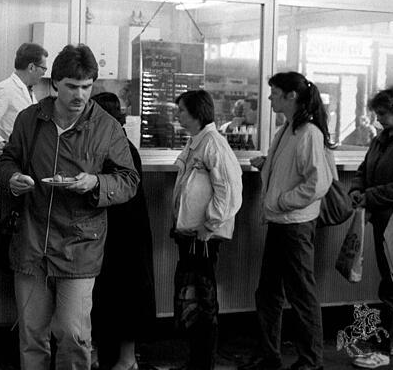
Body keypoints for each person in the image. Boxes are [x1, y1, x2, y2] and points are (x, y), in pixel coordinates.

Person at [0, 44, 139, 370]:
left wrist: (97, 184)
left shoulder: (106, 127)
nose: (80, 95)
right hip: (32, 244)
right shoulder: (29, 120)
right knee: (32, 336)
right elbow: (8, 160)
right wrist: (13, 177)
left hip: (80, 247)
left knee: (74, 334)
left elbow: (129, 180)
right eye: (72, 86)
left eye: (87, 87)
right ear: (55, 82)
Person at [242, 72, 331, 370]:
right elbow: (294, 173)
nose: (269, 98)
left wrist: (281, 200)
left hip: (294, 224)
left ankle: (311, 360)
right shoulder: (288, 130)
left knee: (301, 293)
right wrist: (267, 166)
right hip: (281, 222)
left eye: (275, 93)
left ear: (291, 96)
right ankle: (270, 355)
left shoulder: (308, 133)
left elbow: (318, 183)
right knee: (268, 292)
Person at [171, 90, 243, 370]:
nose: (178, 115)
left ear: (197, 113)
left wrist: (210, 224)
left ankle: (203, 362)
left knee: (202, 300)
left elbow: (230, 191)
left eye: (182, 111)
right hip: (192, 234)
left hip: (203, 236)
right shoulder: (197, 142)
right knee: (192, 298)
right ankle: (197, 360)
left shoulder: (213, 144)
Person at [90, 92, 155, 370]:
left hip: (118, 234)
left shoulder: (112, 148)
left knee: (116, 296)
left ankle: (124, 360)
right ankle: (123, 358)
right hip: (129, 233)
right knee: (123, 296)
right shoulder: (125, 145)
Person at [347, 86, 393, 369]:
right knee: (389, 281)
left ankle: (387, 347)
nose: (378, 120)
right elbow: (363, 169)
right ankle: (391, 344)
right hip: (383, 220)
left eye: (383, 114)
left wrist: (370, 195)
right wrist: (357, 190)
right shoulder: (381, 139)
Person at [0, 43, 48, 152]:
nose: (44, 73)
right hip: (8, 158)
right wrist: (3, 145)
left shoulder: (29, 92)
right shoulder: (5, 90)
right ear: (31, 67)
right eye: (43, 68)